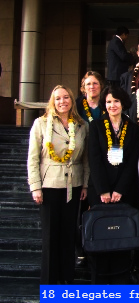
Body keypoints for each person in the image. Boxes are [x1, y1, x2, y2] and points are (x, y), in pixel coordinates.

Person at [27, 85, 89, 284]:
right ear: (52, 102)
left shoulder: (81, 125)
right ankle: (50, 284)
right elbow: (33, 158)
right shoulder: (41, 123)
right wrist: (35, 186)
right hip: (49, 184)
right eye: (58, 98)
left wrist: (86, 185)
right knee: (51, 237)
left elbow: (86, 159)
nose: (62, 101)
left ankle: (66, 282)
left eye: (66, 97)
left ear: (72, 100)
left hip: (74, 184)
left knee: (68, 235)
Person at [87, 86, 139, 284]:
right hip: (100, 191)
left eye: (116, 101)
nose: (112, 105)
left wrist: (120, 189)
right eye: (109, 102)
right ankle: (100, 281)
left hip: (124, 191)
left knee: (121, 235)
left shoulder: (133, 128)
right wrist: (103, 190)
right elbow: (94, 159)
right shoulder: (96, 126)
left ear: (123, 103)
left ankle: (121, 280)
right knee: (101, 234)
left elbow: (134, 161)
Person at [75, 71, 104, 267]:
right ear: (83, 87)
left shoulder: (106, 105)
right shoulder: (76, 106)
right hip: (78, 158)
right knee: (79, 209)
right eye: (88, 84)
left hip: (100, 160)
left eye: (95, 83)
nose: (92, 87)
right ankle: (80, 250)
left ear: (100, 86)